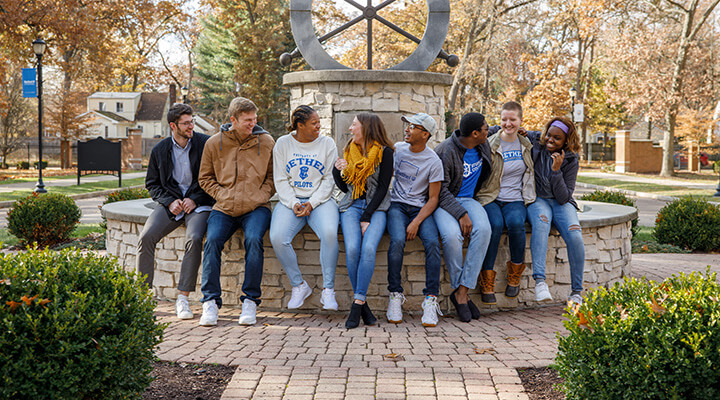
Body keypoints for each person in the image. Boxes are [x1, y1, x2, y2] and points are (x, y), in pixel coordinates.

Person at [197, 97, 275, 326]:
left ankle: (250, 300)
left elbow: (273, 178)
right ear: (233, 119)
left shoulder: (267, 141)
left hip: (256, 208)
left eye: (255, 119)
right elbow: (205, 178)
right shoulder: (214, 143)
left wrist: (259, 196)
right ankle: (210, 302)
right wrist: (223, 195)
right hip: (224, 207)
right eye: (247, 120)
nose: (253, 123)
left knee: (253, 239)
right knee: (211, 241)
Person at [137, 103, 214, 320]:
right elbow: (152, 184)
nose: (191, 126)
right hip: (170, 206)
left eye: (192, 122)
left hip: (199, 205)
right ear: (173, 126)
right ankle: (142, 297)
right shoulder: (160, 150)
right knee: (146, 238)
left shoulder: (205, 144)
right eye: (186, 123)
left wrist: (195, 199)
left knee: (195, 237)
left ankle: (182, 299)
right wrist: (170, 201)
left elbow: (213, 179)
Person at [270, 105, 339, 311]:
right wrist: (294, 203)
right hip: (291, 200)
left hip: (322, 200)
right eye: (314, 123)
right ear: (300, 125)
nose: (319, 126)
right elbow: (280, 179)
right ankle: (299, 285)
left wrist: (313, 202)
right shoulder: (283, 144)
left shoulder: (327, 144)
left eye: (319, 122)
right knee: (277, 237)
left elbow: (329, 180)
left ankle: (328, 291)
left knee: (329, 233)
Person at [333, 113, 394, 329]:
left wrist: (367, 215)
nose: (350, 129)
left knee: (368, 249)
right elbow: (346, 188)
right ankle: (363, 305)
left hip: (376, 208)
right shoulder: (350, 150)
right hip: (350, 206)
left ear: (366, 128)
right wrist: (337, 171)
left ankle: (357, 304)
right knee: (352, 250)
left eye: (354, 125)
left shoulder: (385, 153)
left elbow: (383, 188)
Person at [385, 112, 444, 327]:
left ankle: (430, 300)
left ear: (425, 134)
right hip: (397, 206)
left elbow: (434, 198)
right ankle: (395, 295)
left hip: (420, 209)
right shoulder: (398, 149)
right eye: (408, 126)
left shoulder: (433, 161)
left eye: (413, 127)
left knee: (432, 243)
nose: (407, 130)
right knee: (397, 240)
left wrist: (417, 222)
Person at [434, 112, 493, 322]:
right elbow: (439, 191)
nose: (489, 130)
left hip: (469, 199)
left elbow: (500, 131)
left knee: (484, 230)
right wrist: (461, 214)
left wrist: (526, 132)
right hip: (445, 201)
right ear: (475, 133)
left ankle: (461, 292)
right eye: (485, 128)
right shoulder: (445, 151)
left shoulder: (481, 143)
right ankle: (461, 294)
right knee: (452, 237)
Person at [477, 101, 535, 302]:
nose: (508, 123)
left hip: (515, 199)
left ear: (520, 120)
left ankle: (515, 275)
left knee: (516, 224)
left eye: (513, 119)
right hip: (491, 196)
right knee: (494, 224)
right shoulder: (490, 143)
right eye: (504, 119)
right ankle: (486, 279)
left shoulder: (527, 144)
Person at [525, 116, 585, 304]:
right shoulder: (538, 143)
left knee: (575, 235)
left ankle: (576, 292)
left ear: (566, 141)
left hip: (561, 203)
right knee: (541, 224)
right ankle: (540, 282)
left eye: (556, 138)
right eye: (549, 135)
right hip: (539, 200)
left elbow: (564, 197)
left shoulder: (571, 160)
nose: (550, 140)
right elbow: (510, 127)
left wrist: (556, 171)